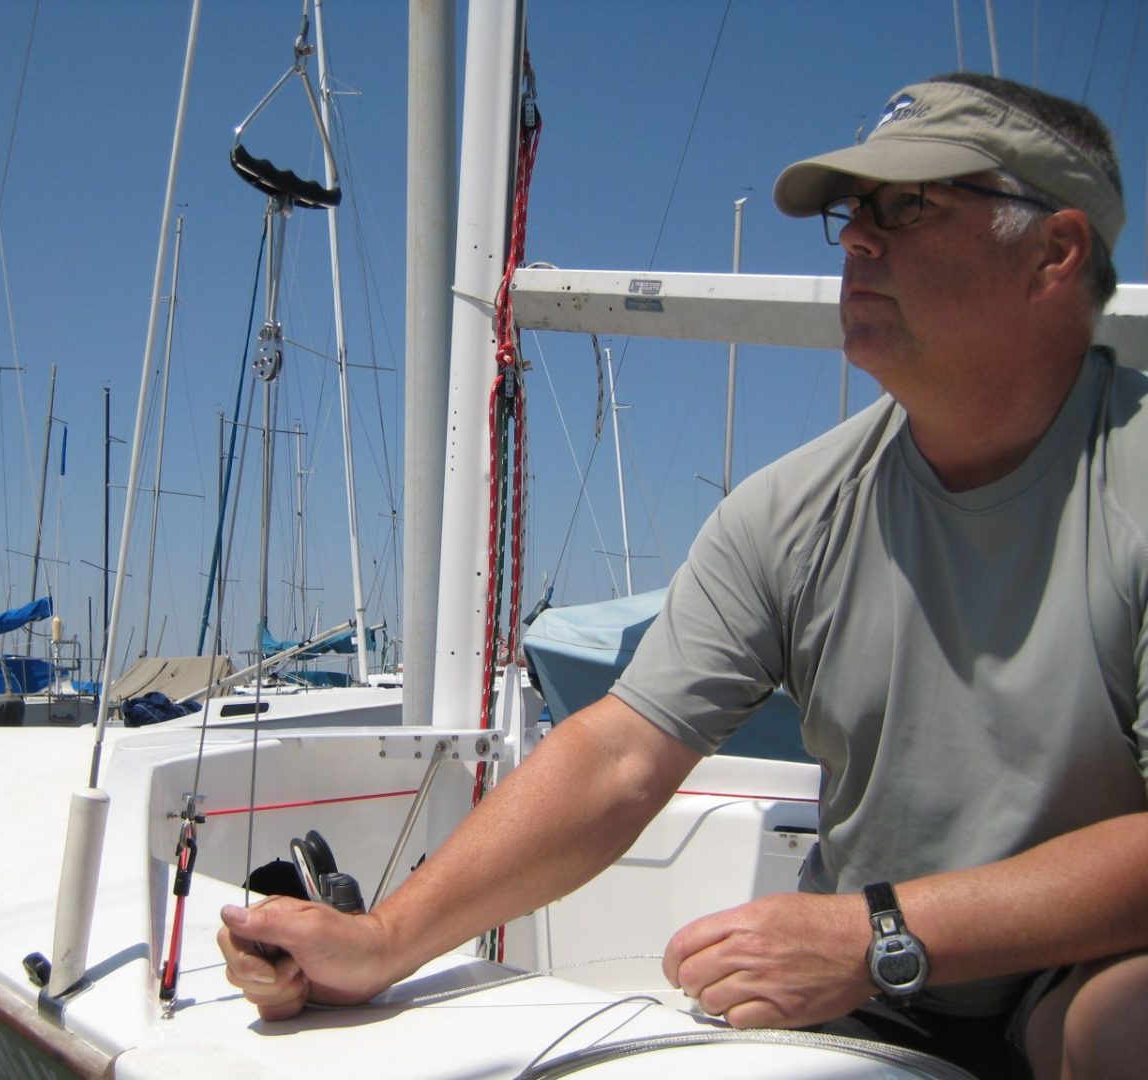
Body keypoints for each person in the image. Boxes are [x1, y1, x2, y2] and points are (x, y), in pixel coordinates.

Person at [219, 72, 1148, 1080]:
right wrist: (386, 941)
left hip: (1074, 971)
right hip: (871, 993)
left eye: (910, 205)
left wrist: (872, 933)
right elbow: (622, 753)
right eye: (854, 212)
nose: (856, 240)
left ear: (1053, 252)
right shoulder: (791, 514)